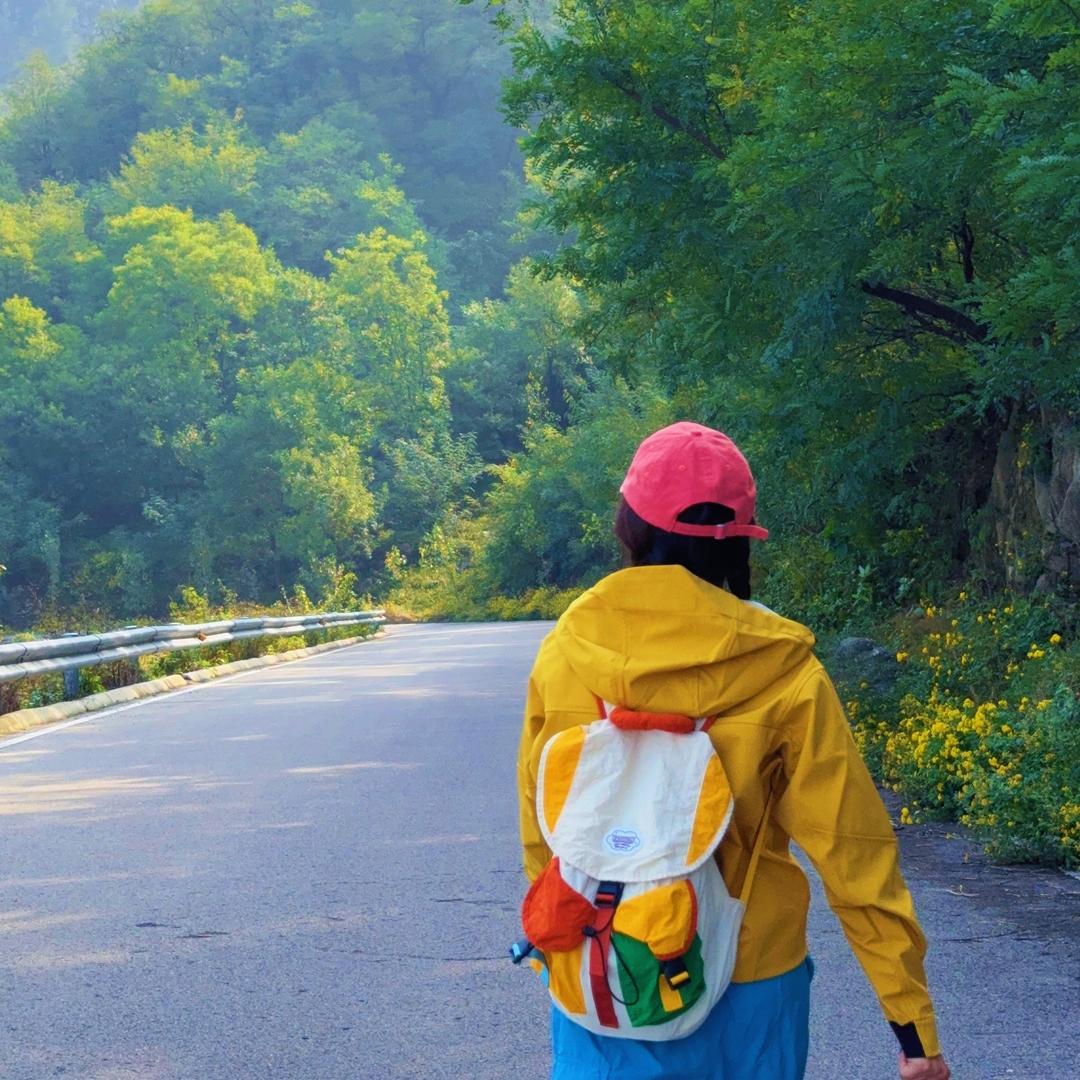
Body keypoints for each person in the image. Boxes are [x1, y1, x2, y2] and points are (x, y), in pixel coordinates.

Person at [517, 421, 950, 1080]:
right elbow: (854, 856)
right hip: (750, 981)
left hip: (603, 970)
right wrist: (912, 1028)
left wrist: (562, 939)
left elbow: (542, 829)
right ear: (740, 542)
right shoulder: (784, 670)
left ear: (628, 528)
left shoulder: (567, 652)